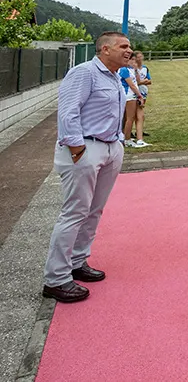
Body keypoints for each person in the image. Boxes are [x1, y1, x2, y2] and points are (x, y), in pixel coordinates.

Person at [42, 31, 130, 303]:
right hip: (85, 149)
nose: (129, 50)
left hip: (109, 147)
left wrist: (118, 144)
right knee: (75, 212)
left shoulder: (115, 77)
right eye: (123, 46)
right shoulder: (84, 73)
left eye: (129, 47)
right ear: (105, 49)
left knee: (94, 210)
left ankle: (77, 261)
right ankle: (56, 279)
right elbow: (68, 111)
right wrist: (77, 148)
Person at [120, 54, 148, 148]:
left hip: (132, 95)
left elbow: (138, 81)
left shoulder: (131, 70)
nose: (134, 62)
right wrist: (139, 95)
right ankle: (127, 140)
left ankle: (126, 137)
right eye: (132, 60)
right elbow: (131, 85)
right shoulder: (124, 69)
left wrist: (136, 70)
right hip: (129, 95)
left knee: (129, 118)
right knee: (130, 118)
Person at [131, 51, 151, 140]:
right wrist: (143, 81)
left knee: (140, 110)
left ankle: (139, 130)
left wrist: (144, 82)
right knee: (134, 112)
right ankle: (130, 131)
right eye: (137, 57)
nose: (140, 59)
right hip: (135, 92)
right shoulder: (133, 69)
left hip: (144, 91)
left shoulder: (145, 68)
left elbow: (149, 80)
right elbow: (136, 82)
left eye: (141, 56)